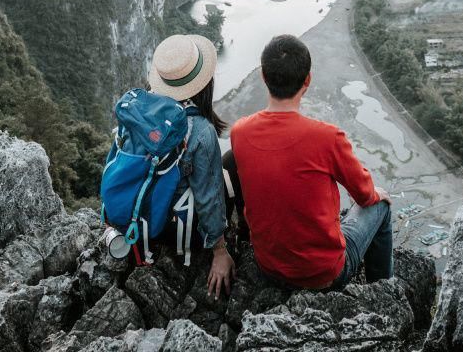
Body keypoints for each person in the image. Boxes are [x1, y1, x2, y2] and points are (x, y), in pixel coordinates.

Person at [229, 34, 393, 290]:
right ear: (307, 80)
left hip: (268, 266)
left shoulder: (240, 132)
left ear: (263, 77)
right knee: (381, 207)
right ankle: (382, 290)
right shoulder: (327, 137)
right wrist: (375, 195)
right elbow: (363, 195)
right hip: (324, 274)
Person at [148, 34, 236, 298]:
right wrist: (219, 251)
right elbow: (208, 196)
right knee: (228, 168)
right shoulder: (199, 129)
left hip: (138, 223)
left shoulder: (140, 112)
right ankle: (237, 237)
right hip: (173, 232)